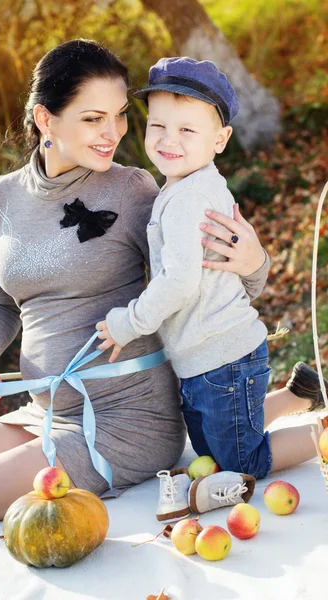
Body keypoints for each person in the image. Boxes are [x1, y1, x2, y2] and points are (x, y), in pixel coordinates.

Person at [0, 41, 322, 598]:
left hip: (123, 420)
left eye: (118, 116)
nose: (112, 132)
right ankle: (295, 396)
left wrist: (254, 258)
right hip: (45, 408)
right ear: (45, 119)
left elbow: (222, 282)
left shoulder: (137, 190)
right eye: (93, 118)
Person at [96, 57, 324, 520]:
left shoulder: (187, 197)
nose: (167, 139)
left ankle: (319, 431)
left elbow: (179, 281)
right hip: (210, 357)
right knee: (219, 445)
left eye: (187, 130)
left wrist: (128, 322)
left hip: (222, 356)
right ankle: (301, 392)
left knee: (243, 461)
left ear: (219, 140)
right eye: (158, 125)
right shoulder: (184, 187)